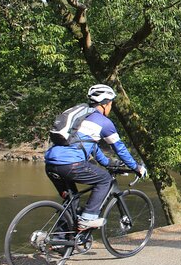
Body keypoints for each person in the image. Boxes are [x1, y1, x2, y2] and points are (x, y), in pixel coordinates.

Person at [44, 84, 147, 230]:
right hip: (71, 165)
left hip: (50, 164)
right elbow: (120, 148)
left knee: (72, 199)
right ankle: (88, 218)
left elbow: (92, 147)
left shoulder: (81, 118)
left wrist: (108, 163)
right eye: (111, 104)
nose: (111, 107)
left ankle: (59, 240)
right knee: (105, 179)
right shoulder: (103, 122)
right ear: (105, 104)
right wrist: (136, 167)